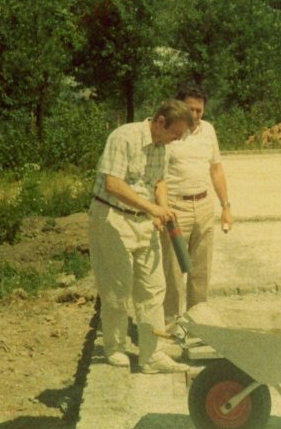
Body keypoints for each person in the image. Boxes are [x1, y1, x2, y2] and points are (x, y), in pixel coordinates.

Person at [88, 99, 193, 373]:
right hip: (112, 218)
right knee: (117, 288)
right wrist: (152, 208)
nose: (176, 140)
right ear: (160, 122)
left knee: (153, 289)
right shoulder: (123, 137)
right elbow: (113, 184)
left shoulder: (163, 148)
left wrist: (162, 209)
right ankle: (115, 347)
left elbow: (159, 182)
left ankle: (152, 355)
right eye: (174, 133)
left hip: (143, 222)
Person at [160, 86, 233, 323]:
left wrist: (226, 207)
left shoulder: (208, 131)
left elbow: (216, 169)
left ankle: (198, 321)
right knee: (172, 271)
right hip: (175, 208)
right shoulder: (170, 133)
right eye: (190, 109)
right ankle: (171, 322)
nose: (195, 114)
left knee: (200, 270)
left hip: (203, 206)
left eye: (199, 110)